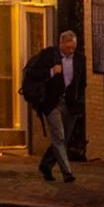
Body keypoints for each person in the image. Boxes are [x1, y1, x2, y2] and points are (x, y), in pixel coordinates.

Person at [22, 30, 86, 183]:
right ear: (61, 44)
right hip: (52, 103)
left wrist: (78, 98)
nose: (70, 51)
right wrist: (51, 71)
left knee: (64, 138)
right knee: (59, 137)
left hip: (70, 104)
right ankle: (67, 172)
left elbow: (81, 82)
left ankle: (46, 164)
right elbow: (35, 74)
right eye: (67, 48)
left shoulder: (80, 59)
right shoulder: (48, 55)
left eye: (73, 48)